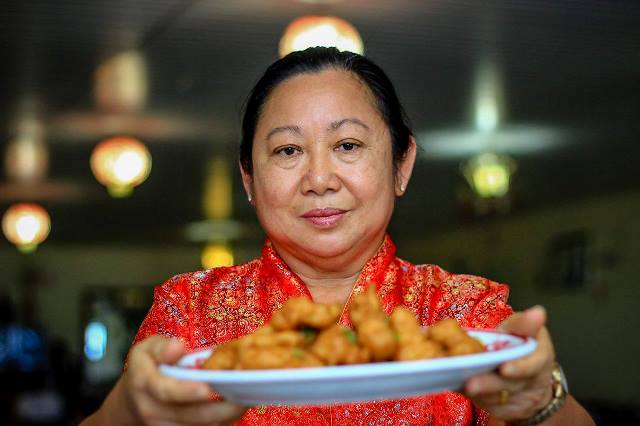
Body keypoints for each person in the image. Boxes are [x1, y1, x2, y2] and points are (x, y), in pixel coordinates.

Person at [81, 47, 594, 425]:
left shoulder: (464, 314)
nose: (320, 179)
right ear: (248, 179)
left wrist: (540, 405)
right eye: (287, 151)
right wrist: (126, 409)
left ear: (401, 164)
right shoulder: (187, 312)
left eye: (347, 144)